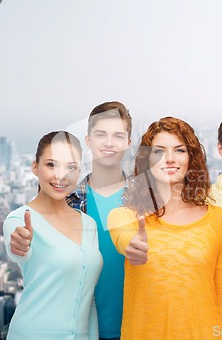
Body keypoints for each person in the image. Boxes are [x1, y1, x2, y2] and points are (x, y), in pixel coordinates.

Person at [107, 117, 222, 340]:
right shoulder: (125, 217)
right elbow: (125, 239)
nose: (169, 159)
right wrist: (132, 246)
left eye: (179, 150)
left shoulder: (220, 221)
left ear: (191, 159)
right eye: (159, 151)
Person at [4, 131, 103, 340]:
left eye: (71, 167)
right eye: (51, 165)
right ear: (35, 167)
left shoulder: (89, 225)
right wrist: (20, 246)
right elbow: (18, 250)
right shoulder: (19, 219)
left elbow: (88, 298)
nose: (61, 175)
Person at [67, 101, 132, 340]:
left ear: (128, 142)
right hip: (81, 330)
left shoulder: (148, 202)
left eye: (118, 135)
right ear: (88, 140)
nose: (108, 143)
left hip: (138, 328)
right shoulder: (67, 201)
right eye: (101, 135)